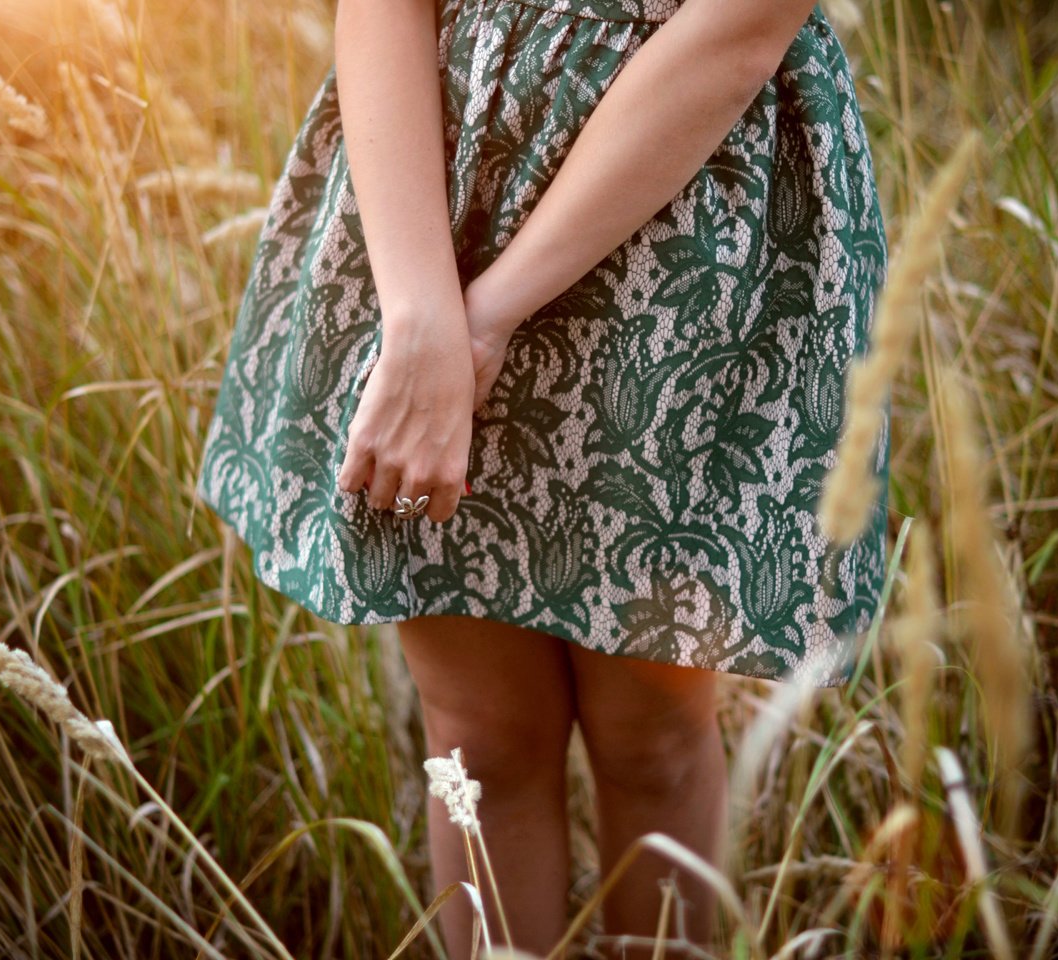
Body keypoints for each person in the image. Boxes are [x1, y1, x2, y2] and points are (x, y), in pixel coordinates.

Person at [194, 0, 890, 955]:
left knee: (652, 729)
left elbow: (739, 30)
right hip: (435, 209)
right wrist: (422, 318)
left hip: (683, 229)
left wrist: (485, 319)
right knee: (479, 735)